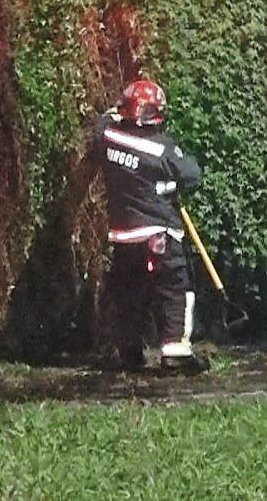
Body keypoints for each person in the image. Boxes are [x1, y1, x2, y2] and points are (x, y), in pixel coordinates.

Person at [94, 78, 207, 373]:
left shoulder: (108, 137)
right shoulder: (163, 149)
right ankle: (176, 351)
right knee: (174, 287)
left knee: (129, 292)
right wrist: (168, 184)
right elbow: (192, 175)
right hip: (160, 233)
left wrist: (115, 114)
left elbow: (102, 123)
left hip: (124, 237)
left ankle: (129, 351)